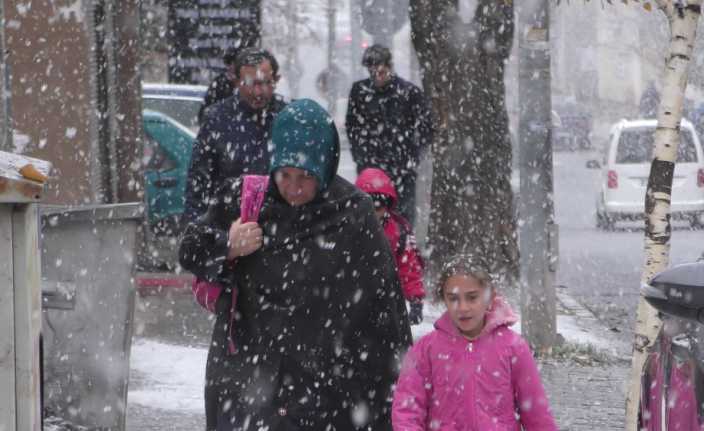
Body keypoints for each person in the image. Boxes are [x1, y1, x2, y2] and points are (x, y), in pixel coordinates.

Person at [179, 98, 412, 431]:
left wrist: (398, 394)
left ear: (325, 166)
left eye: (305, 176)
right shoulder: (248, 199)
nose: (292, 187)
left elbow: (386, 312)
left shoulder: (353, 212)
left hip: (329, 389)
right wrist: (228, 246)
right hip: (251, 383)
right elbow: (189, 249)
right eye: (284, 173)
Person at [392, 254, 558, 431]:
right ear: (444, 299)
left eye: (472, 298)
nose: (463, 307)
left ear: (490, 296)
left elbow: (536, 413)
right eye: (453, 298)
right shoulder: (425, 349)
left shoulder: (513, 348)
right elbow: (407, 411)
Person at [183, 47, 285, 227]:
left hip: (278, 229)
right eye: (250, 83)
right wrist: (195, 232)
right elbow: (199, 180)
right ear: (236, 82)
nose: (258, 92)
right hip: (228, 228)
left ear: (276, 80)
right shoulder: (217, 119)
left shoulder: (286, 118)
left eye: (265, 82)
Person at [345, 44, 433, 226]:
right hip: (372, 172)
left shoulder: (409, 93)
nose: (377, 74)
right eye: (373, 70)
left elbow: (426, 129)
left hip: (401, 171)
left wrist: (411, 158)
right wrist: (361, 157)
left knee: (402, 222)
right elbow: (352, 127)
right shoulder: (360, 92)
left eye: (381, 69)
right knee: (371, 222)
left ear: (389, 66)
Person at [355, 167, 425, 325]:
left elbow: (409, 268)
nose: (373, 210)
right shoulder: (349, 228)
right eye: (368, 204)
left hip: (389, 297)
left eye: (378, 204)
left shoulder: (399, 233)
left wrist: (415, 301)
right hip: (355, 297)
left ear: (387, 205)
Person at [197, 46, 240, 124]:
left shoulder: (249, 84)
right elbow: (204, 114)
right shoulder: (219, 84)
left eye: (235, 63)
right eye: (228, 63)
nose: (231, 67)